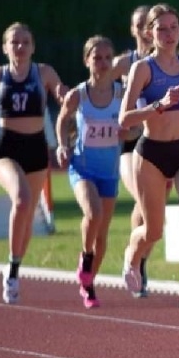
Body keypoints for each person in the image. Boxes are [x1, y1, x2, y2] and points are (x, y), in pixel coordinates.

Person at [118, 4, 179, 316]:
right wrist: (157, 105)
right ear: (149, 34)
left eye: (173, 27)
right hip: (152, 154)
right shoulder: (143, 69)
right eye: (161, 29)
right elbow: (125, 118)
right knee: (153, 230)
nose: (168, 34)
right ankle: (132, 256)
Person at [0, 23, 66, 304]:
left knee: (27, 214)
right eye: (14, 42)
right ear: (5, 47)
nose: (20, 46)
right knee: (22, 200)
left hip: (37, 150)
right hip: (7, 148)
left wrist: (70, 102)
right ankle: (13, 271)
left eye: (25, 41)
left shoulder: (44, 73)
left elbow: (63, 96)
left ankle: (15, 264)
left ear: (33, 46)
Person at [55, 36, 125, 308]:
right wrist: (62, 145)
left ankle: (89, 283)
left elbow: (133, 125)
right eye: (97, 58)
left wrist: (128, 130)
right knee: (93, 213)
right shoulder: (79, 94)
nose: (104, 63)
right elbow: (62, 120)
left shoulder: (121, 93)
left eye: (108, 58)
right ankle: (85, 256)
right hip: (83, 167)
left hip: (109, 170)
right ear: (87, 61)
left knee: (103, 234)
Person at [112, 5, 155, 296]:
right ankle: (136, 262)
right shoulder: (123, 63)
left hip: (158, 143)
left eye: (150, 24)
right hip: (129, 144)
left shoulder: (167, 61)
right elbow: (96, 86)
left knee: (152, 211)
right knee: (142, 197)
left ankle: (138, 257)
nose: (146, 29)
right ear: (133, 29)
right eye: (140, 24)